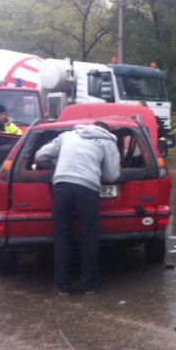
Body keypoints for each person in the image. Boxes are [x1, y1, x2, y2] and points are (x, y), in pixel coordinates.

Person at [35, 121, 121, 295]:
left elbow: (40, 154)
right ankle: (89, 285)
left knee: (62, 235)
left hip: (62, 185)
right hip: (87, 187)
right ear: (106, 131)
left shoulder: (68, 135)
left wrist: (55, 166)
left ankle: (62, 286)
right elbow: (111, 176)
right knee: (89, 236)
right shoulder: (107, 141)